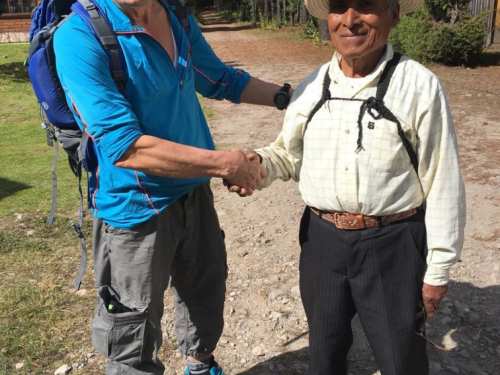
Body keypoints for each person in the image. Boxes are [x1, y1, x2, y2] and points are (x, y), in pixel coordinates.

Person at [53, 0, 294, 374]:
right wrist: (225, 164)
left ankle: (200, 365)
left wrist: (293, 98)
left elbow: (220, 79)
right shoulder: (79, 35)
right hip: (134, 208)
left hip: (193, 192)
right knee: (131, 328)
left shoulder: (176, 16)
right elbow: (124, 146)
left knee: (204, 293)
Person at [231, 0, 466, 373]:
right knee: (324, 351)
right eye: (339, 6)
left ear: (394, 14)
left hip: (392, 244)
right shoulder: (312, 86)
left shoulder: (419, 86)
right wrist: (255, 166)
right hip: (321, 242)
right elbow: (288, 155)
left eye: (367, 6)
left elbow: (442, 180)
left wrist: (437, 269)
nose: (350, 20)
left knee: (400, 356)